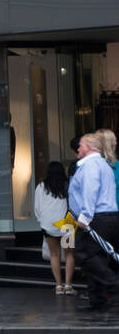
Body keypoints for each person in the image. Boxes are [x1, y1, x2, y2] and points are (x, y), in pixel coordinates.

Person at [68, 132, 119, 312]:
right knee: (97, 258)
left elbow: (91, 191)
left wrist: (85, 217)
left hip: (95, 217)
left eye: (80, 145)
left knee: (84, 254)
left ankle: (114, 285)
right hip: (108, 216)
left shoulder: (91, 166)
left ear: (88, 147)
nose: (78, 149)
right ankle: (97, 300)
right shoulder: (103, 165)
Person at [35, 161, 75, 295]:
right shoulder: (67, 185)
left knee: (54, 254)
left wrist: (42, 221)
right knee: (69, 254)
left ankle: (58, 286)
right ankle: (68, 286)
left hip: (48, 226)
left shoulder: (41, 186)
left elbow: (37, 208)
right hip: (67, 224)